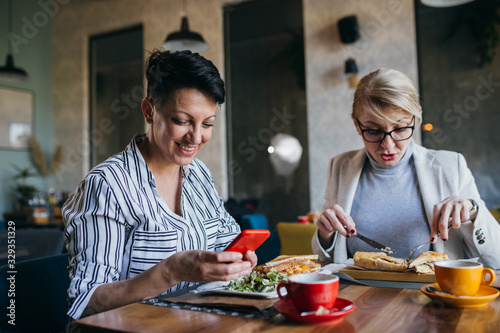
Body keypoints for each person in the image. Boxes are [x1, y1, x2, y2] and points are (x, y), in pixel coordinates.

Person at [63, 50, 257, 320]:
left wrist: (242, 259)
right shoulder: (108, 185)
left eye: (207, 124)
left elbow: (228, 243)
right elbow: (85, 303)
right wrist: (170, 272)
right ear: (149, 111)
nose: (196, 137)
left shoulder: (198, 173)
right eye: (181, 121)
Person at [312, 68, 500, 269]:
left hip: (428, 295)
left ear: (415, 119)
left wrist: (472, 212)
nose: (388, 146)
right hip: (358, 294)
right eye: (373, 131)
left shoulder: (451, 166)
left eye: (400, 129)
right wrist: (325, 234)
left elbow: (496, 259)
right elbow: (327, 261)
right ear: (357, 125)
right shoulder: (340, 166)